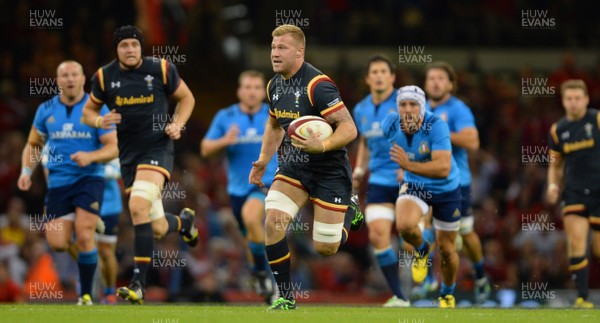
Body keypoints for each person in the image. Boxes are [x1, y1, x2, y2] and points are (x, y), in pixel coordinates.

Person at [249, 24, 362, 310]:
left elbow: (349, 129)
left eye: (282, 48)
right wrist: (264, 160)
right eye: (273, 48)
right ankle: (286, 297)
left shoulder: (319, 86)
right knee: (273, 220)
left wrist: (322, 146)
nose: (275, 53)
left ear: (300, 51)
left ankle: (350, 207)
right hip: (294, 166)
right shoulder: (274, 84)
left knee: (325, 248)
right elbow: (275, 124)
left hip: (329, 170)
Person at [82, 25, 198, 304]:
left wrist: (177, 124)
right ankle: (184, 222)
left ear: (141, 47)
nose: (130, 50)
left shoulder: (160, 69)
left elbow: (187, 98)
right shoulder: (104, 76)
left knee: (136, 206)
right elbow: (88, 111)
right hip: (129, 156)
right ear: (117, 49)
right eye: (124, 46)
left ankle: (138, 284)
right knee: (155, 226)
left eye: (134, 45)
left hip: (158, 148)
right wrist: (99, 121)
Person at [17, 60, 119, 305]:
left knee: (84, 235)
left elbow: (113, 147)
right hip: (58, 183)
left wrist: (90, 157)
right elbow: (33, 144)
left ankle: (86, 294)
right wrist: (26, 171)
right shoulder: (46, 109)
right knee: (58, 244)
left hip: (89, 179)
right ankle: (86, 244)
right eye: (65, 75)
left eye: (75, 74)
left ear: (84, 79)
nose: (70, 79)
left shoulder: (98, 109)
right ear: (58, 80)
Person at [201, 70, 278, 303]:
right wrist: (225, 141)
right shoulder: (225, 117)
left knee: (252, 218)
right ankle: (262, 279)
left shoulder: (273, 115)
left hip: (266, 184)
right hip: (236, 190)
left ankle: (266, 277)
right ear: (239, 91)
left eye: (256, 87)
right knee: (250, 238)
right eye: (247, 87)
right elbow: (205, 149)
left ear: (263, 91)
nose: (252, 91)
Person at [382, 85, 462, 308]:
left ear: (423, 106)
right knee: (405, 226)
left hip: (446, 189)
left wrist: (408, 164)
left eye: (413, 104)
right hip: (415, 185)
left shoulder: (437, 125)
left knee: (447, 249)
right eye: (403, 104)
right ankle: (423, 249)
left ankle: (447, 293)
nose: (408, 109)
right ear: (398, 107)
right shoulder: (389, 124)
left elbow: (444, 167)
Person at [424, 61, 491, 303]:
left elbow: (473, 142)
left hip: (456, 182)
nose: (435, 82)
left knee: (464, 230)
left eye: (441, 78)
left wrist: (438, 131)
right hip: (425, 178)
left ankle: (480, 274)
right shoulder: (418, 108)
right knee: (424, 227)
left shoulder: (458, 109)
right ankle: (429, 280)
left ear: (451, 84)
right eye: (431, 78)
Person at [352, 55, 409, 307]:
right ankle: (400, 296)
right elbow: (364, 140)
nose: (378, 75)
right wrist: (360, 169)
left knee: (410, 236)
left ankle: (429, 280)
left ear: (392, 77)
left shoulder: (405, 103)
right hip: (380, 180)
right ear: (367, 78)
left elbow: (421, 134)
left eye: (383, 71)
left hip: (409, 177)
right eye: (373, 71)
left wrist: (409, 165)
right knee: (377, 235)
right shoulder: (360, 109)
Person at [547, 79, 600, 308]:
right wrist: (552, 185)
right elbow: (555, 165)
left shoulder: (597, 119)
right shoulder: (558, 129)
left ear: (586, 100)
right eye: (569, 98)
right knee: (576, 241)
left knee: (598, 248)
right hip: (574, 192)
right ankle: (582, 298)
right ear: (563, 101)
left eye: (578, 98)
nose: (574, 103)